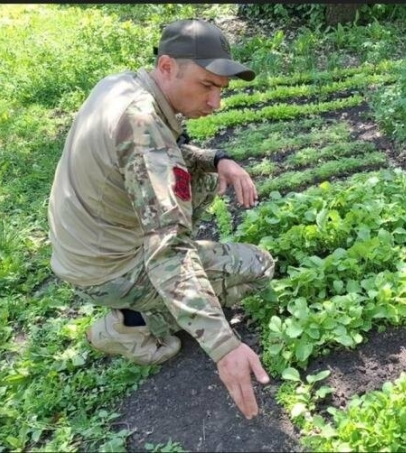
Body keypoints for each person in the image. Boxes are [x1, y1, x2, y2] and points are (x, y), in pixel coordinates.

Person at [47, 18, 274, 420]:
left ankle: (146, 302)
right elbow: (169, 251)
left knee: (202, 181)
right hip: (110, 270)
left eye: (220, 91)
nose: (215, 103)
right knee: (258, 267)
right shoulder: (142, 125)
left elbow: (162, 155)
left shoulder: (122, 85)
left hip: (86, 250)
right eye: (206, 86)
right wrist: (225, 347)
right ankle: (131, 324)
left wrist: (218, 160)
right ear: (167, 66)